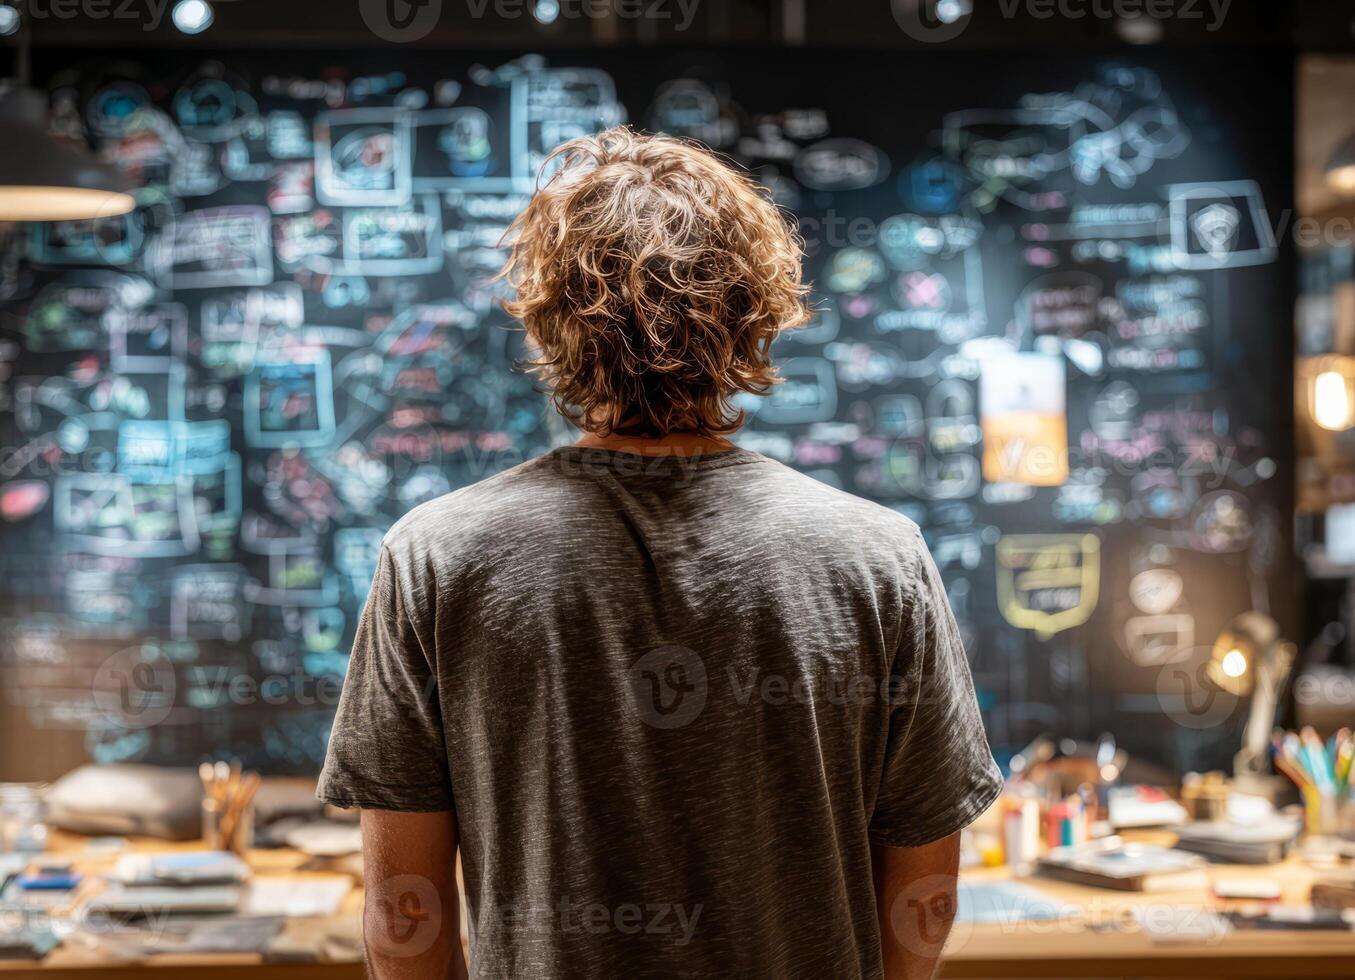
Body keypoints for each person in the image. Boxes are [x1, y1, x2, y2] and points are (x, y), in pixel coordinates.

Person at [319, 126, 1003, 980]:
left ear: (547, 317)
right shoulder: (877, 558)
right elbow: (925, 900)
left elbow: (400, 920)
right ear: (755, 310)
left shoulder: (435, 558)